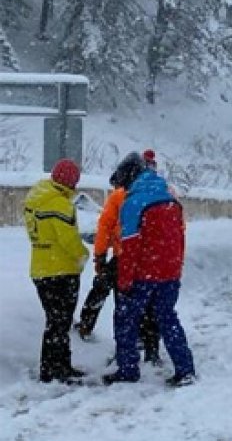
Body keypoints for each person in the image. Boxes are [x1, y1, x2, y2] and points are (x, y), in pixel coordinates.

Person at [103, 153, 197, 387]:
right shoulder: (171, 200)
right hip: (169, 274)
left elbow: (130, 246)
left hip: (143, 274)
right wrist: (176, 271)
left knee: (126, 319)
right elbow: (180, 239)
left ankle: (128, 368)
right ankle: (185, 369)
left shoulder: (134, 203)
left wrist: (125, 280)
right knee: (167, 319)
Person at [74, 168, 162, 364]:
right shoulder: (160, 195)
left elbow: (105, 227)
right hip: (150, 259)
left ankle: (90, 328)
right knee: (147, 302)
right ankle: (150, 348)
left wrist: (100, 256)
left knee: (113, 297)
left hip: (124, 256)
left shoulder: (119, 196)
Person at [23, 158, 89, 383]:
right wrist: (83, 255)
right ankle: (55, 370)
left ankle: (54, 367)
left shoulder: (37, 198)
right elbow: (68, 239)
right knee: (60, 322)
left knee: (54, 321)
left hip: (40, 268)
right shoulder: (59, 204)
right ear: (71, 182)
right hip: (61, 270)